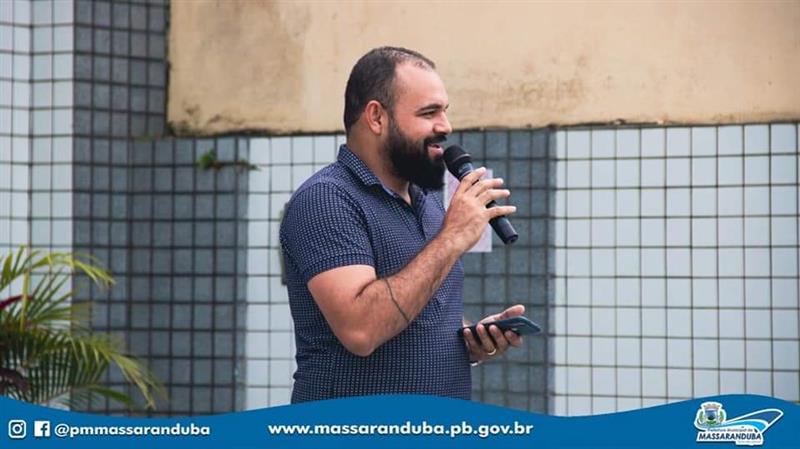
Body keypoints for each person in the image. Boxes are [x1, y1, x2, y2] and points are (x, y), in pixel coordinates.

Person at [280, 46, 525, 403]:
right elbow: (361, 330)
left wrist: (468, 341)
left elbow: (415, 310)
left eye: (444, 111)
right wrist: (453, 237)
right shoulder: (326, 200)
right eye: (429, 113)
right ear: (376, 117)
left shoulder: (427, 202)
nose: (445, 126)